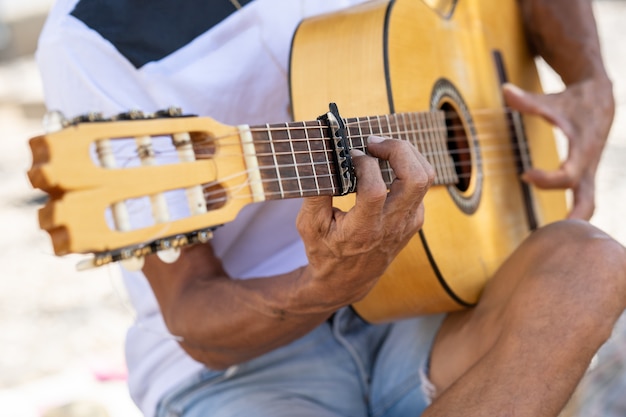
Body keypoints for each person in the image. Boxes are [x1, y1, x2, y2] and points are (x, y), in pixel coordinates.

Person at [34, 0, 626, 416]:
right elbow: (193, 315)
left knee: (589, 265)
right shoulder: (91, 35)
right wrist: (328, 283)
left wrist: (591, 81)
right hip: (247, 370)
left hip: (430, 300)